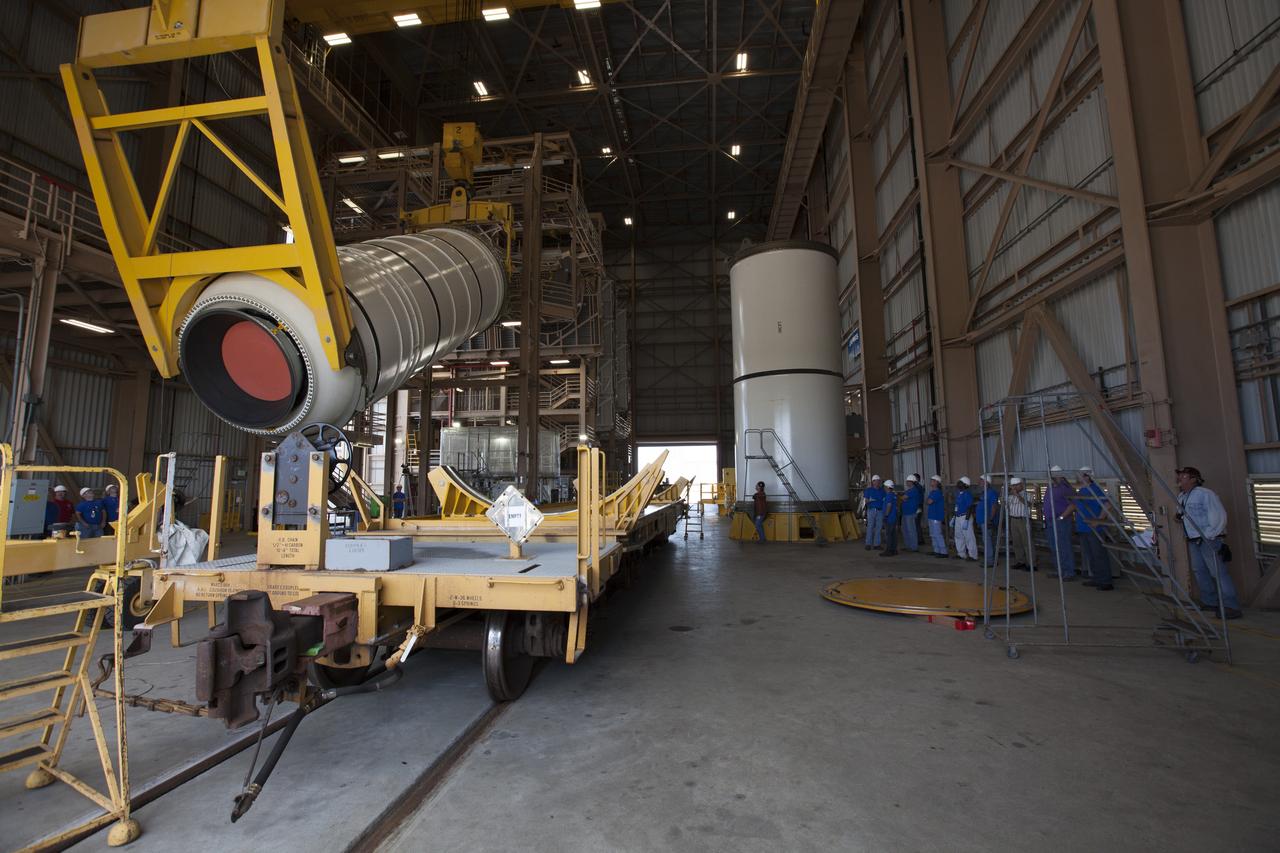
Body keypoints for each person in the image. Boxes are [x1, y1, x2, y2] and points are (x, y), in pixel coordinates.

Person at [1175, 466, 1242, 619]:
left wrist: (1210, 535)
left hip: (1208, 539)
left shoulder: (1206, 495)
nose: (1180, 479)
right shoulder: (1182, 497)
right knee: (1200, 570)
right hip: (1193, 540)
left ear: (1193, 479)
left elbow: (1219, 516)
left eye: (1184, 477)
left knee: (1218, 572)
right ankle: (1209, 601)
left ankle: (1231, 606)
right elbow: (1181, 515)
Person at [1071, 468, 1113, 590]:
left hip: (1094, 528)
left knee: (1098, 554)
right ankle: (1096, 578)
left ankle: (1106, 581)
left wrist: (1098, 520)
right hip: (1083, 527)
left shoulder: (1096, 489)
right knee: (1090, 555)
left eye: (1082, 476)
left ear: (1088, 477)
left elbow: (1108, 505)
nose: (1080, 478)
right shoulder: (1082, 490)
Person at [1043, 466, 1077, 580]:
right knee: (1054, 547)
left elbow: (1073, 504)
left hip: (1061, 522)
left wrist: (1062, 517)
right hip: (1050, 521)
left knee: (1064, 546)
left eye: (1052, 475)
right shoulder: (1050, 487)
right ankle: (1060, 570)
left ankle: (1069, 572)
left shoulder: (1066, 488)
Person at [1005, 477, 1033, 571]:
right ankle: (1020, 561)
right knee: (1017, 542)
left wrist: (1017, 495)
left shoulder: (1027, 494)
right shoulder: (1010, 496)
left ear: (1021, 485)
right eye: (1013, 486)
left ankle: (1031, 563)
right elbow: (1005, 505)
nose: (1015, 487)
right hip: (1013, 519)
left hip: (1023, 519)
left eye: (1016, 485)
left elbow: (1028, 504)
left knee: (1027, 542)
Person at [975, 474, 1000, 567]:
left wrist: (990, 519)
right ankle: (991, 559)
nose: (979, 482)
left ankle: (990, 561)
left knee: (988, 541)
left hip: (987, 521)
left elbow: (994, 506)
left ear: (986, 482)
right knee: (987, 540)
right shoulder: (984, 493)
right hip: (983, 521)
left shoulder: (991, 493)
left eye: (981, 480)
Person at [952, 476, 977, 560]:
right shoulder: (959, 493)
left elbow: (970, 507)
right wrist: (954, 517)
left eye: (960, 482)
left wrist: (966, 520)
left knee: (969, 537)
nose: (958, 483)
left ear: (965, 485)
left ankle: (973, 555)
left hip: (965, 517)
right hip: (958, 517)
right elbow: (957, 506)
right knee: (958, 536)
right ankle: (961, 553)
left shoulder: (967, 494)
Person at [926, 474, 948, 557]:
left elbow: (929, 502)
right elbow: (927, 501)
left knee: (937, 534)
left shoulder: (938, 492)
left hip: (936, 516)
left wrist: (928, 500)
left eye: (932, 480)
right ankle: (936, 550)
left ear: (936, 482)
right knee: (932, 534)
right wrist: (928, 500)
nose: (931, 482)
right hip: (931, 516)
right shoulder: (932, 492)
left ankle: (943, 551)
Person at [901, 474, 924, 552]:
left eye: (908, 481)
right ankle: (908, 546)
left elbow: (904, 498)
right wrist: (904, 498)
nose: (906, 482)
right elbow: (904, 498)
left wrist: (904, 498)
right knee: (905, 530)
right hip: (906, 513)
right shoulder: (909, 490)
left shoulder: (913, 490)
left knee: (911, 530)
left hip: (910, 513)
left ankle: (914, 547)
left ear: (912, 482)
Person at [863, 475, 885, 551]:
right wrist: (870, 500)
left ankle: (877, 544)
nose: (877, 482)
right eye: (876, 481)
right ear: (873, 482)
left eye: (879, 481)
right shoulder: (868, 490)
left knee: (878, 528)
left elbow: (884, 500)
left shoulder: (882, 491)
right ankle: (868, 544)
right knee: (870, 527)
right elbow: (866, 501)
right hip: (871, 510)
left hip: (880, 511)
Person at [880, 480, 900, 556]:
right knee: (893, 534)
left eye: (884, 486)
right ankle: (894, 550)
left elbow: (889, 505)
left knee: (888, 534)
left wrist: (886, 515)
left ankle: (888, 550)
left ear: (887, 487)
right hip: (893, 517)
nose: (884, 487)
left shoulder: (888, 495)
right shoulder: (893, 495)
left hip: (889, 518)